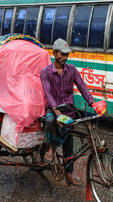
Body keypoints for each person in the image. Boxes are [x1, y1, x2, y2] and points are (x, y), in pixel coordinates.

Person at [40, 38, 96, 186]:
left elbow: (82, 87)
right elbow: (48, 94)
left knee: (69, 142)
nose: (65, 57)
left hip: (69, 109)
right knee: (51, 121)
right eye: (62, 54)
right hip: (54, 108)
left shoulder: (71, 69)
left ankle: (69, 173)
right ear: (54, 53)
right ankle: (51, 146)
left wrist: (93, 103)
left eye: (67, 54)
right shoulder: (45, 72)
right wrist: (58, 114)